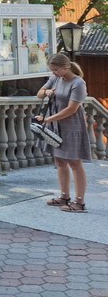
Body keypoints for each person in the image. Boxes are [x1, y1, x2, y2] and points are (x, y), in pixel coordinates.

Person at [37, 53, 91, 213]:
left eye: (55, 70)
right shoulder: (55, 78)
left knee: (74, 162)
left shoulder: (78, 83)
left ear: (65, 68)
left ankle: (80, 202)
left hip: (71, 125)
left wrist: (48, 119)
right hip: (56, 124)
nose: (53, 73)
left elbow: (71, 109)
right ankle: (64, 196)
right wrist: (46, 92)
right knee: (59, 161)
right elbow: (39, 93)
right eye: (52, 70)